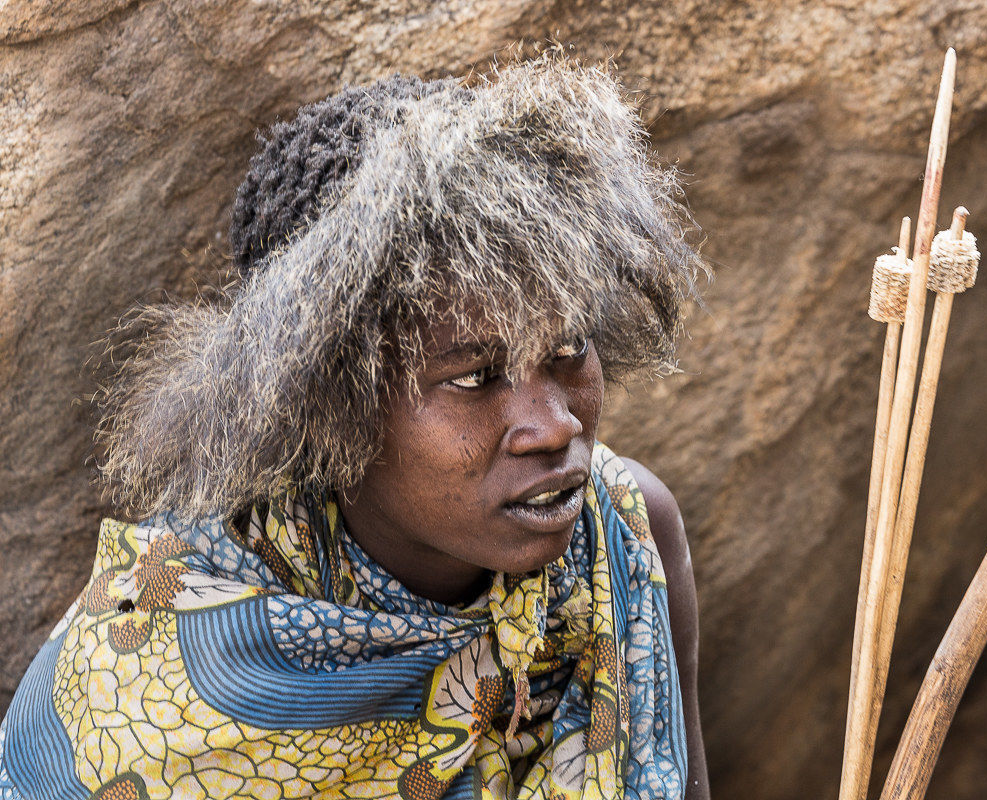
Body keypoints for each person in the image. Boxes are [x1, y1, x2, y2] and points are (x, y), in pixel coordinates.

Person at [0, 50, 709, 800]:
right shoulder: (156, 685)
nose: (555, 424)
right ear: (325, 407)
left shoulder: (627, 542)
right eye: (472, 377)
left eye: (569, 350)